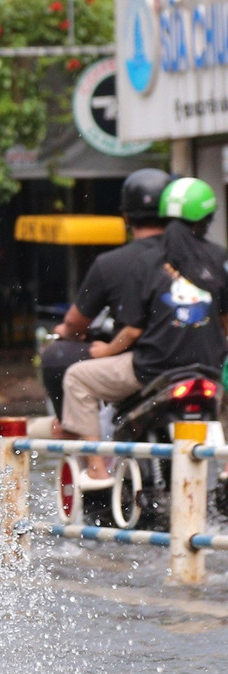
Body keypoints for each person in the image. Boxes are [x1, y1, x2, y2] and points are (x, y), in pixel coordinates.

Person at [60, 177, 228, 489]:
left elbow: (133, 329)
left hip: (152, 369)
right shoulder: (219, 257)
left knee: (76, 378)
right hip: (209, 368)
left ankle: (97, 473)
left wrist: (104, 351)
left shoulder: (146, 261)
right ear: (209, 218)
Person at [29, 168, 173, 439]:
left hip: (144, 362)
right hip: (199, 357)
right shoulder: (197, 258)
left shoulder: (120, 264)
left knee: (57, 359)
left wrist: (98, 346)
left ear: (126, 216)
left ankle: (83, 448)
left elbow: (128, 329)